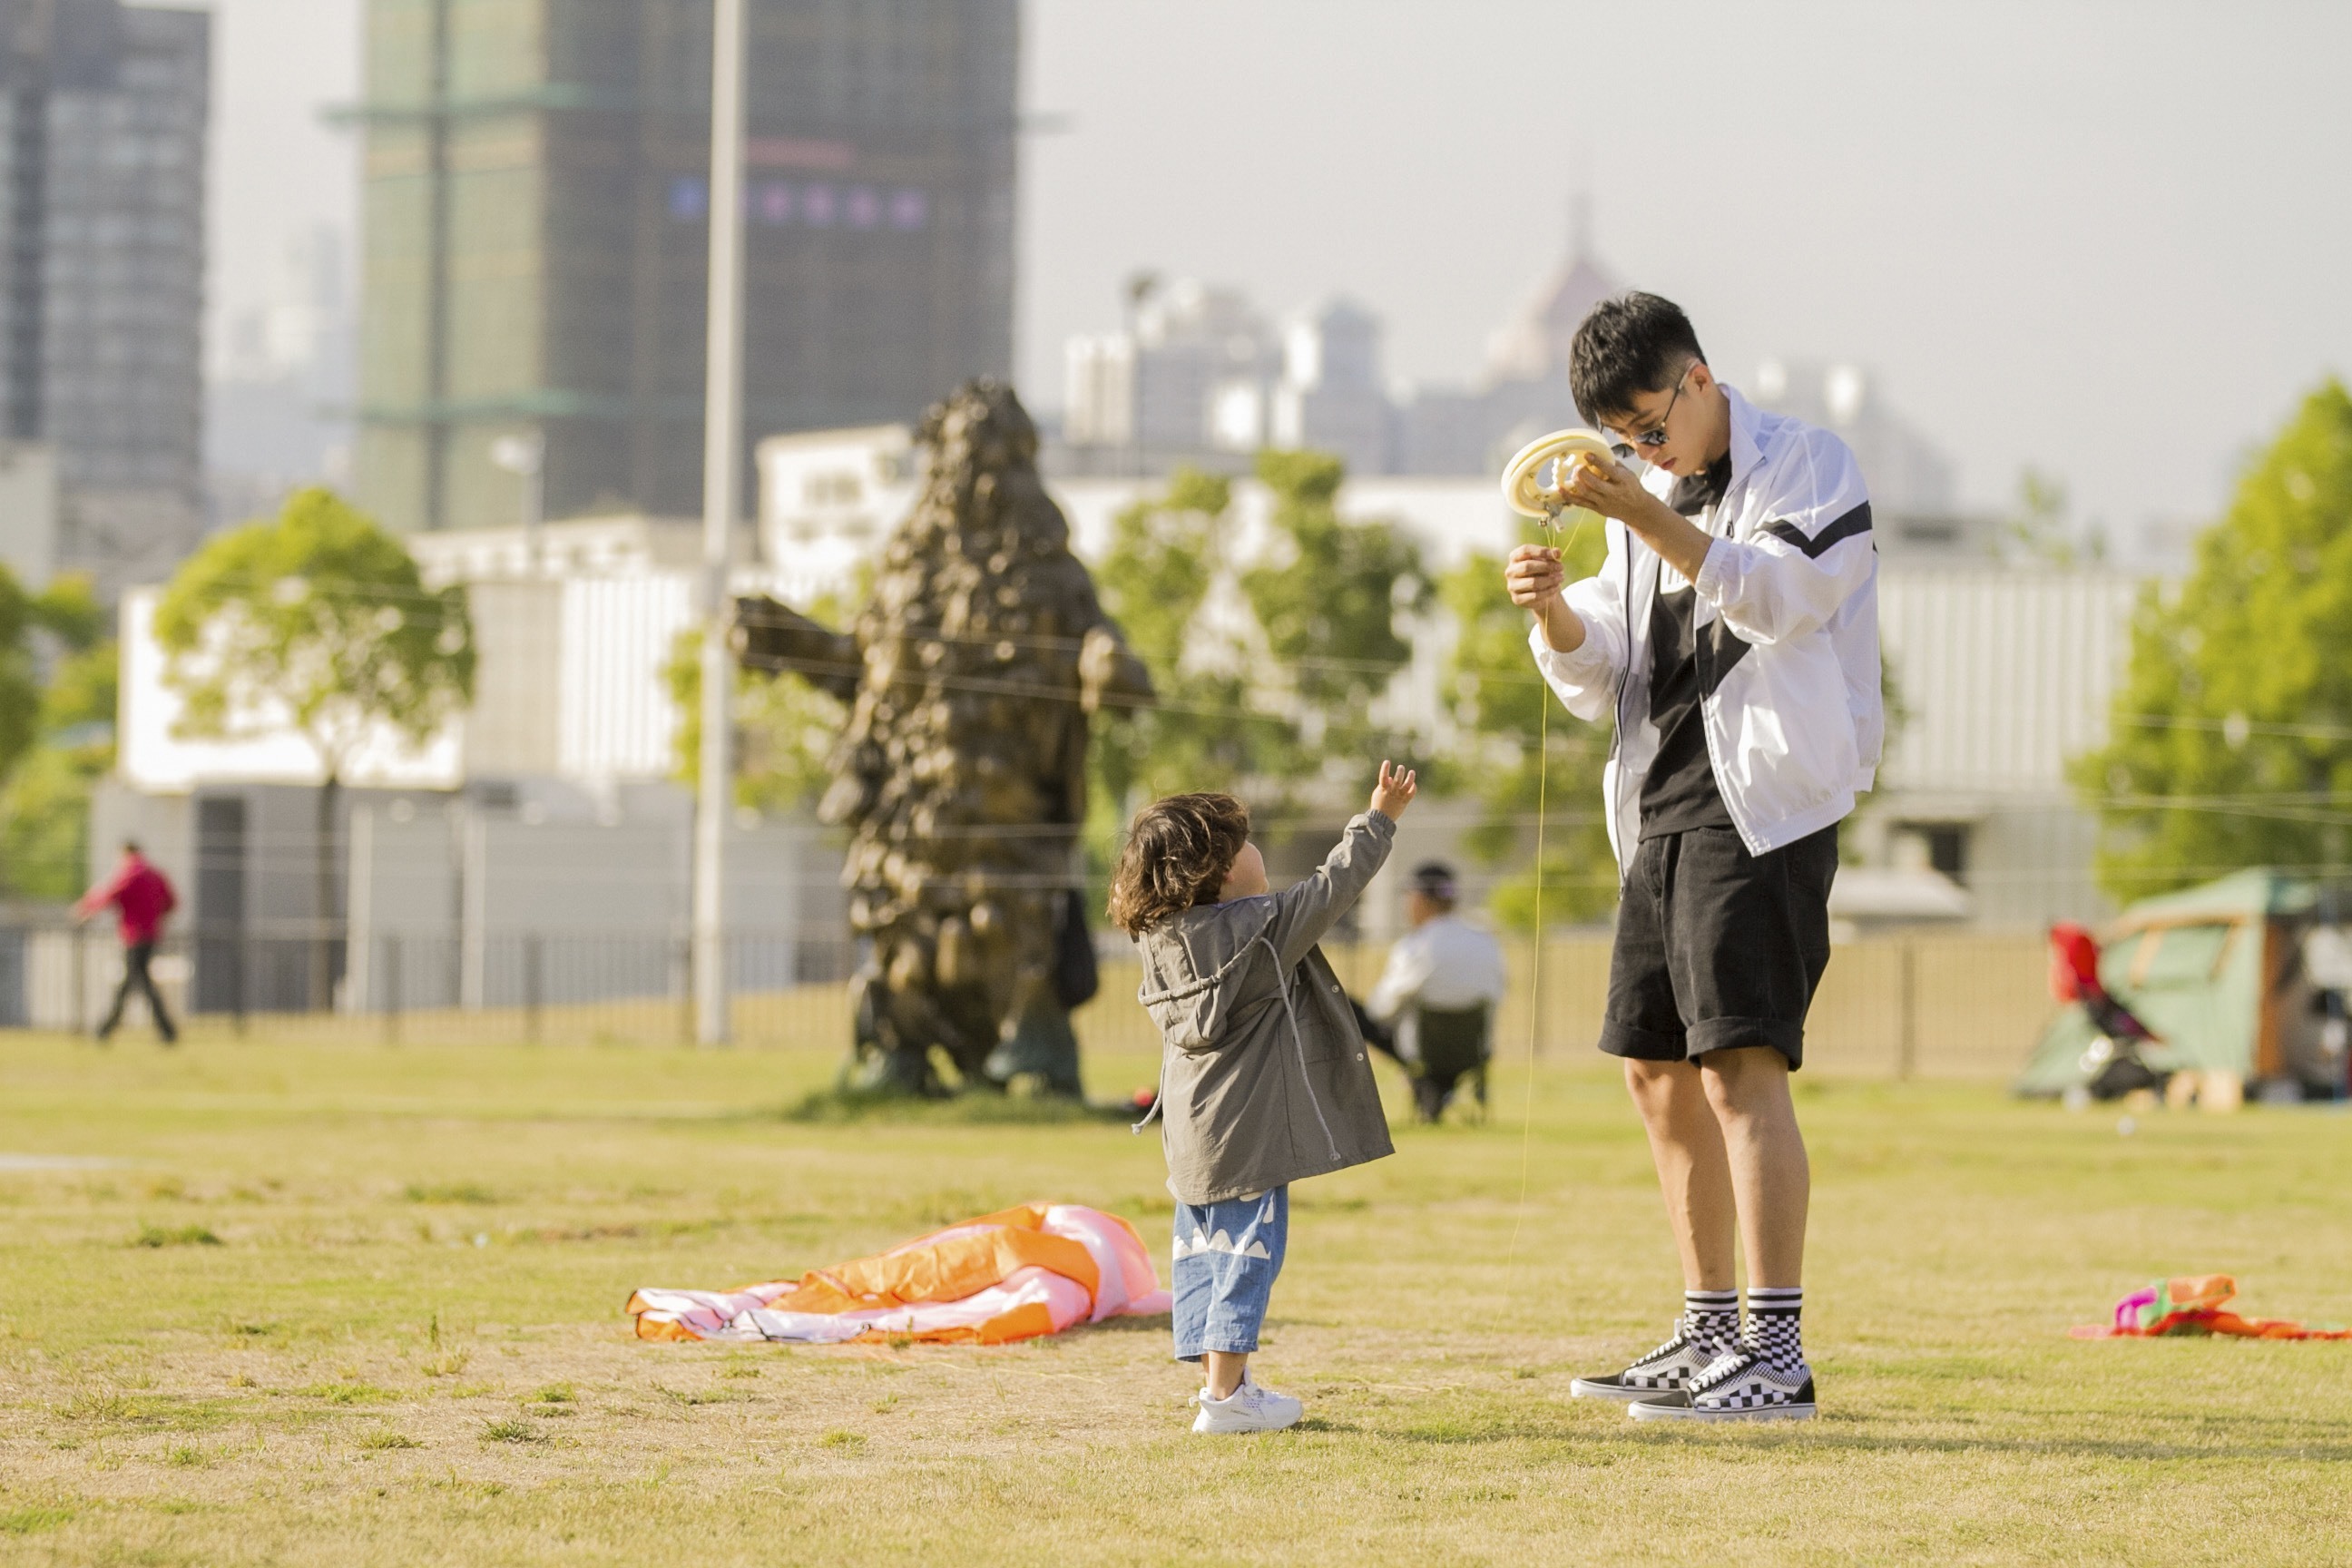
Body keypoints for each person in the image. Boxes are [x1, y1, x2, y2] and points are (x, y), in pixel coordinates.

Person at [1504, 292, 1880, 1423]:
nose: (1642, 455)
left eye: (1651, 429)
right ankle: (1708, 1328)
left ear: (1699, 378)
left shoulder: (1811, 464)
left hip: (1760, 804)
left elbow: (1781, 597)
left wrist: (1646, 513)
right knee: (1655, 1075)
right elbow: (1610, 668)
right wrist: (1557, 618)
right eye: (1622, 442)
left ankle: (1777, 1352)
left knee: (1739, 1067)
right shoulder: (1645, 501)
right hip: (1656, 803)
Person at [1112, 761, 1417, 1435]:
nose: (1257, 851)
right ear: (1216, 870)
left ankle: (1224, 1385)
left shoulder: (1160, 942)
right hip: (1249, 1131)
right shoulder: (1261, 930)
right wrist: (1381, 818)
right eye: (1243, 843)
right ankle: (1227, 1400)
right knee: (1251, 1251)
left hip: (1192, 1135)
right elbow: (1332, 889)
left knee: (1203, 1251)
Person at [1364, 860, 1509, 1122]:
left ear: (1421, 899)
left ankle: (1426, 1087)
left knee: (1359, 1014)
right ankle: (1440, 1091)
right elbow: (1498, 992)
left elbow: (1381, 1008)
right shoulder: (1485, 941)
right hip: (1474, 1049)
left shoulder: (1416, 947)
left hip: (1423, 1051)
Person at [74, 840, 181, 1045]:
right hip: (151, 935)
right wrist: (154, 916)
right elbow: (171, 902)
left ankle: (106, 1029)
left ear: (124, 854)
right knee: (138, 982)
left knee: (134, 984)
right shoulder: (156, 874)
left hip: (134, 936)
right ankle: (164, 1031)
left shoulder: (129, 873)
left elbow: (108, 895)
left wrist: (85, 909)